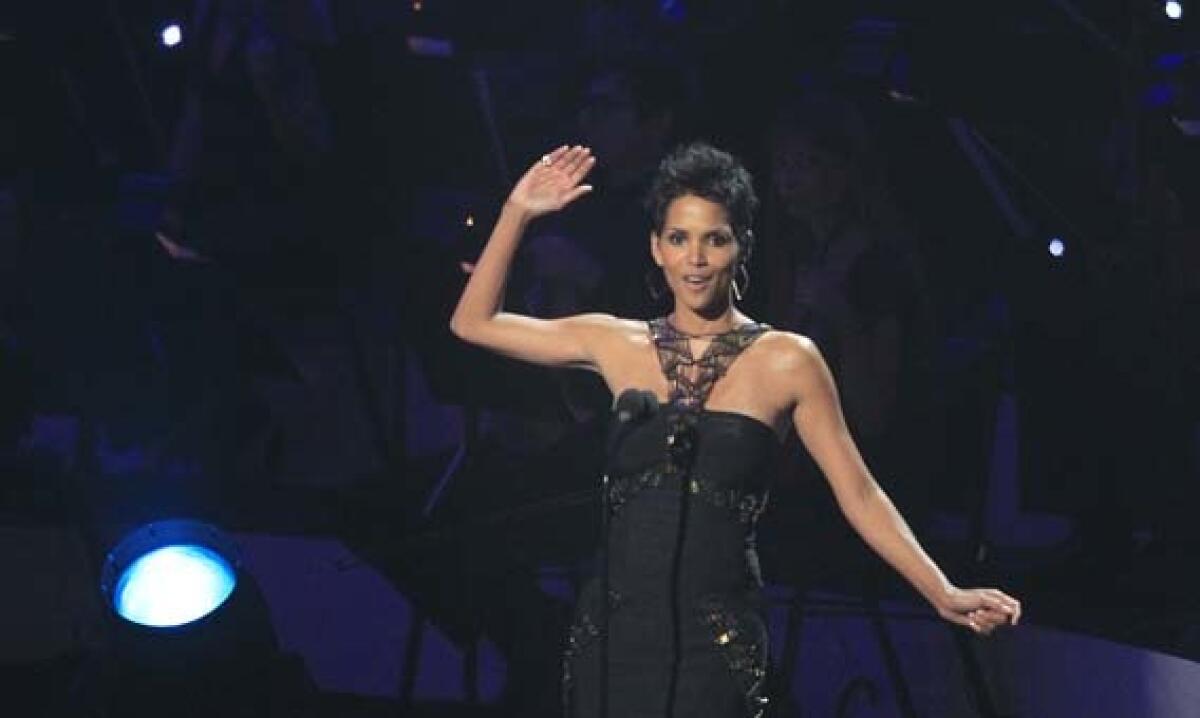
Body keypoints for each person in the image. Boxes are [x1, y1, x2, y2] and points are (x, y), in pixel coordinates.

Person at [450, 142, 1020, 718]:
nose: (695, 258)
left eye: (713, 239)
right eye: (679, 239)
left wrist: (940, 590)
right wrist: (517, 212)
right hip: (614, 639)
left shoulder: (787, 360)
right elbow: (473, 323)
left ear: (740, 245)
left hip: (718, 642)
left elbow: (860, 492)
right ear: (656, 249)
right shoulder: (613, 341)